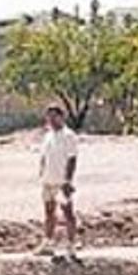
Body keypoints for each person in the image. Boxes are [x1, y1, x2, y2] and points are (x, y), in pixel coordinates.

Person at [37, 106, 79, 258]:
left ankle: (71, 245)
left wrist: (68, 180)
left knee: (67, 212)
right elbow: (44, 156)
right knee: (49, 212)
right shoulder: (48, 136)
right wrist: (41, 172)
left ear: (62, 117)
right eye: (49, 117)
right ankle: (48, 242)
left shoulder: (69, 136)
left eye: (54, 117)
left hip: (62, 181)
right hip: (48, 180)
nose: (51, 120)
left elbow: (72, 159)